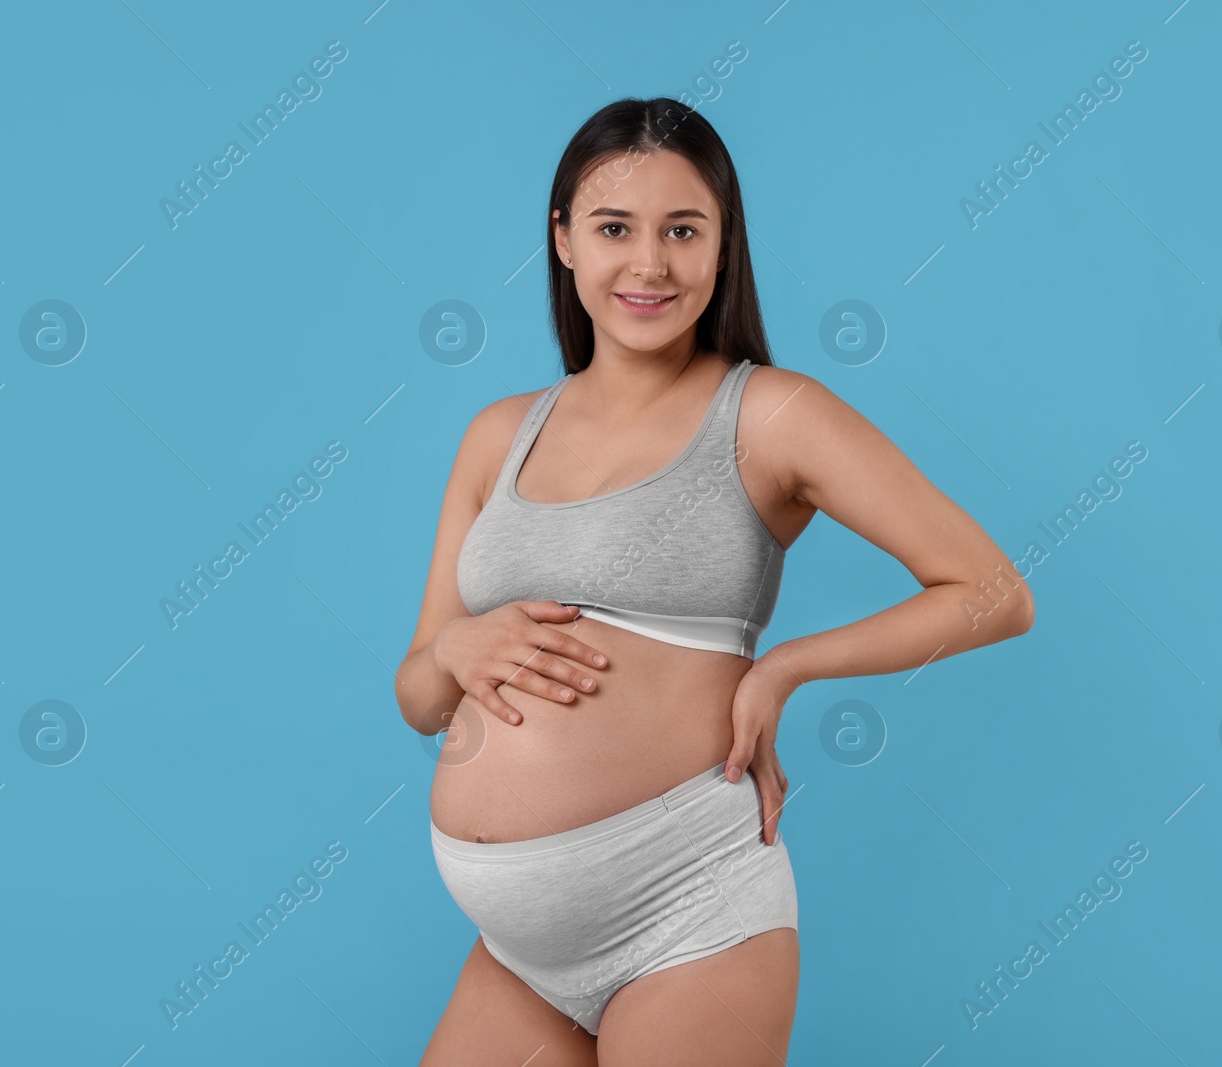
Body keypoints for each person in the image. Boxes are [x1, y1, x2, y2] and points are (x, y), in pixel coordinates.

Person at [396, 96, 1035, 1066]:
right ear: (563, 240)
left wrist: (785, 666)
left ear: (722, 245)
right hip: (520, 949)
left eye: (682, 230)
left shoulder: (769, 416)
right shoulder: (498, 433)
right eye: (615, 228)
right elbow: (415, 696)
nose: (649, 264)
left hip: (686, 912)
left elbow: (992, 589)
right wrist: (452, 647)